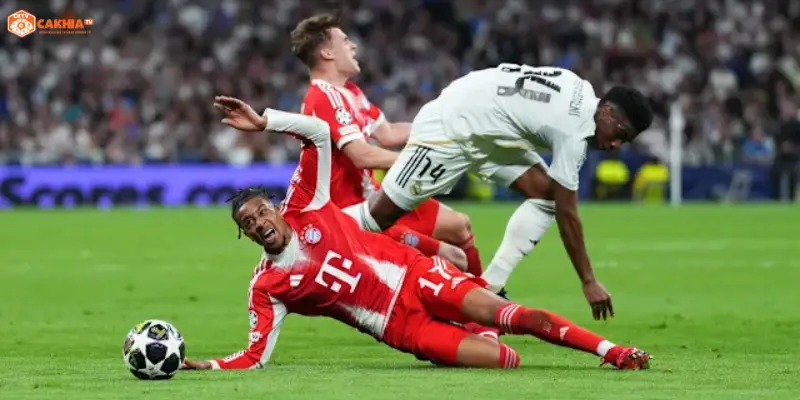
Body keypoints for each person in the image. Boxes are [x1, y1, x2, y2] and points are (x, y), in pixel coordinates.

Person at [180, 96, 651, 370]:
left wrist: (267, 122)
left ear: (275, 208)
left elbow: (320, 133)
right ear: (247, 235)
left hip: (416, 277)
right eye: (249, 224)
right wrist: (212, 366)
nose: (260, 223)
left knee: (514, 317)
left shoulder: (307, 204)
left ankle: (614, 352)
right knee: (506, 361)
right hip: (402, 328)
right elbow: (257, 355)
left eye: (261, 211)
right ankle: (472, 334)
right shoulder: (266, 286)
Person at [343, 63, 654, 320]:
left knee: (545, 194)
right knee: (378, 216)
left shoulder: (582, 89)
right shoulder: (572, 132)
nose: (615, 146)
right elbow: (568, 213)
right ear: (607, 111)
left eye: (624, 143)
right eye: (620, 135)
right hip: (452, 128)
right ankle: (307, 228)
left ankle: (490, 287)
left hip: (488, 127)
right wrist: (588, 281)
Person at [288, 13, 484, 277]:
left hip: (376, 195)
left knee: (460, 226)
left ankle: (485, 301)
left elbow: (389, 132)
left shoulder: (351, 93)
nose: (353, 46)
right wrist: (418, 159)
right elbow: (361, 154)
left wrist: (444, 131)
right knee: (454, 258)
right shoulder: (323, 98)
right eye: (345, 41)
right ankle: (479, 307)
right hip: (353, 213)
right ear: (326, 53)